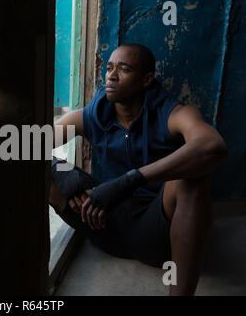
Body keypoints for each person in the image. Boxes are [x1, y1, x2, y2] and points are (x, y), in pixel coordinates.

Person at [49, 43, 228, 296]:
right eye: (109, 68)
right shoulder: (92, 116)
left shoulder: (172, 114)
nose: (111, 75)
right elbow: (25, 145)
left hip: (156, 232)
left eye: (124, 69)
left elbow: (213, 146)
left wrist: (129, 181)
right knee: (43, 175)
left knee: (192, 180)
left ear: (146, 79)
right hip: (101, 221)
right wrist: (58, 169)